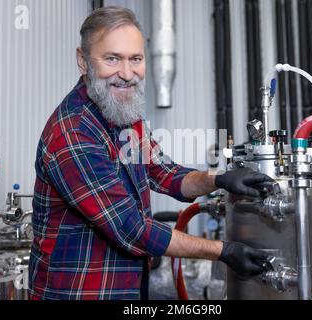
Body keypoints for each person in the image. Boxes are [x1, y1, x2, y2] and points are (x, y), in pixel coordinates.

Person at [28, 6, 274, 300]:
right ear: (83, 61)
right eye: (112, 59)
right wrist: (223, 251)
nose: (127, 74)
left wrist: (220, 180)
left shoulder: (121, 112)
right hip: (80, 292)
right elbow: (131, 228)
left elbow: (163, 173)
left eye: (136, 59)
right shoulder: (73, 133)